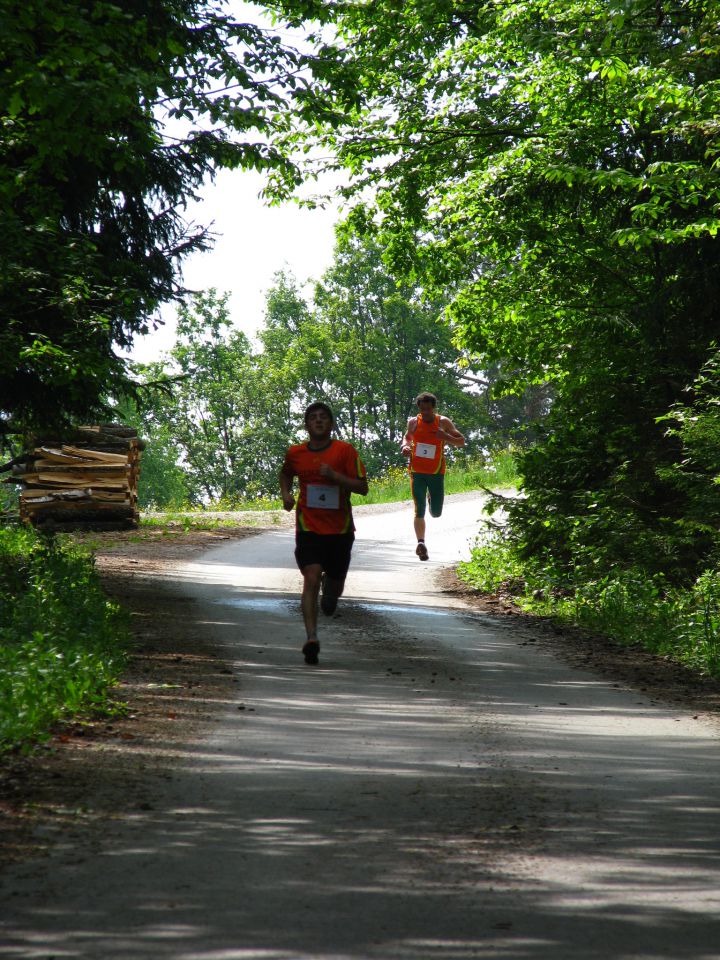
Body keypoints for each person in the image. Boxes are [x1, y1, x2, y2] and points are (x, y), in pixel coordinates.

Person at [280, 401, 368, 665]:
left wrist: (335, 477)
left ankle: (331, 596)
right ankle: (311, 637)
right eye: (313, 418)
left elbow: (363, 488)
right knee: (311, 576)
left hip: (340, 529)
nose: (318, 421)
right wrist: (286, 494)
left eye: (323, 418)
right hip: (309, 527)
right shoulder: (296, 453)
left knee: (333, 586)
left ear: (331, 424)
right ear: (306, 425)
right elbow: (285, 474)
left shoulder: (345, 451)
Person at [401, 391, 465, 561]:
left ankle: (432, 500)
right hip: (416, 471)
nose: (426, 413)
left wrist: (445, 436)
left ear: (434, 408)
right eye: (423, 410)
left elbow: (461, 441)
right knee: (418, 509)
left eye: (428, 409)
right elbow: (407, 438)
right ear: (419, 409)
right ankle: (421, 543)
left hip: (436, 473)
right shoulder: (413, 422)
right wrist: (405, 447)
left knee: (436, 513)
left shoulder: (443, 422)